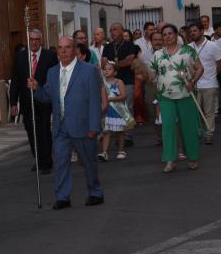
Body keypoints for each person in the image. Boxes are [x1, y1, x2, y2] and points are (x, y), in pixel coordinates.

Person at [27, 37, 104, 209]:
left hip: (83, 125)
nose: (63, 51)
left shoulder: (89, 70)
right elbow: (46, 97)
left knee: (88, 162)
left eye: (67, 47)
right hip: (60, 127)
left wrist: (94, 126)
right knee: (61, 162)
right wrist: (36, 88)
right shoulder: (52, 72)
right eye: (60, 48)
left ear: (74, 50)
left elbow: (95, 101)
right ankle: (63, 197)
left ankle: (95, 192)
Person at [144, 24, 204, 173]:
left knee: (188, 127)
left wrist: (193, 81)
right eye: (164, 35)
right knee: (168, 128)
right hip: (165, 97)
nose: (167, 36)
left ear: (176, 35)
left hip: (186, 95)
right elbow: (152, 74)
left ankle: (192, 158)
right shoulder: (158, 55)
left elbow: (200, 68)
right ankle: (170, 160)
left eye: (170, 33)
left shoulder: (187, 51)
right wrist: (143, 72)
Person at [10, 29, 58, 174]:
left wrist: (40, 87)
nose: (34, 42)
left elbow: (54, 79)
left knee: (43, 130)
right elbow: (16, 80)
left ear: (41, 40)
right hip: (26, 101)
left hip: (44, 101)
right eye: (31, 39)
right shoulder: (20, 56)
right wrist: (13, 102)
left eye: (37, 39)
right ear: (28, 40)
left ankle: (47, 161)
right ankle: (38, 159)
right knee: (31, 132)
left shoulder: (49, 56)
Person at [188, 22, 221, 144]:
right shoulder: (188, 47)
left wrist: (213, 75)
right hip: (194, 84)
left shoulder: (212, 46)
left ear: (201, 31)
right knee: (194, 111)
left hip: (210, 84)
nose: (193, 33)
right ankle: (198, 132)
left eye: (195, 30)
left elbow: (220, 63)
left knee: (209, 112)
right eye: (191, 31)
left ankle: (209, 133)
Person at [102, 23, 137, 145]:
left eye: (115, 29)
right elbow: (103, 63)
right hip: (110, 82)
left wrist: (114, 65)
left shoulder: (130, 45)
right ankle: (114, 133)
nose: (112, 32)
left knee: (127, 107)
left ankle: (127, 135)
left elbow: (130, 60)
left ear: (122, 31)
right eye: (110, 30)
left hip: (126, 80)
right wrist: (119, 64)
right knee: (112, 108)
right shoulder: (108, 47)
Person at [98, 61, 134, 161]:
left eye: (110, 69)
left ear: (115, 72)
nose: (107, 71)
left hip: (117, 110)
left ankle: (121, 150)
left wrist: (111, 98)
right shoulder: (102, 83)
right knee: (106, 131)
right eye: (105, 69)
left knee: (120, 131)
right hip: (107, 110)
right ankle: (104, 152)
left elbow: (123, 95)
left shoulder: (119, 82)